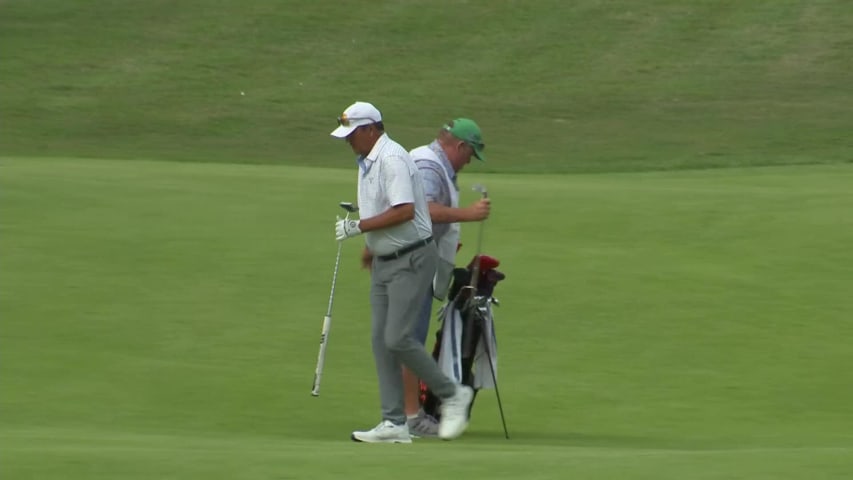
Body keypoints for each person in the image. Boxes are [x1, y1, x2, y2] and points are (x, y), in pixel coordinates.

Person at [330, 101, 474, 443]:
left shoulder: (392, 158)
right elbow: (383, 206)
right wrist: (371, 246)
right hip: (385, 261)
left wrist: (358, 227)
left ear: (370, 130)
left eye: (352, 135)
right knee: (381, 342)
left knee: (398, 338)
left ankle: (453, 393)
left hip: (411, 258)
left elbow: (405, 211)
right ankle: (394, 423)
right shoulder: (367, 160)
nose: (349, 141)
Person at [403, 118, 490, 437]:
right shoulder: (429, 166)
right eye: (470, 155)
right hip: (414, 263)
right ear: (460, 146)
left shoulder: (432, 163)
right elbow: (422, 210)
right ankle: (411, 417)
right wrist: (467, 214)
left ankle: (400, 415)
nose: (468, 162)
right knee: (407, 342)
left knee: (402, 340)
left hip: (412, 260)